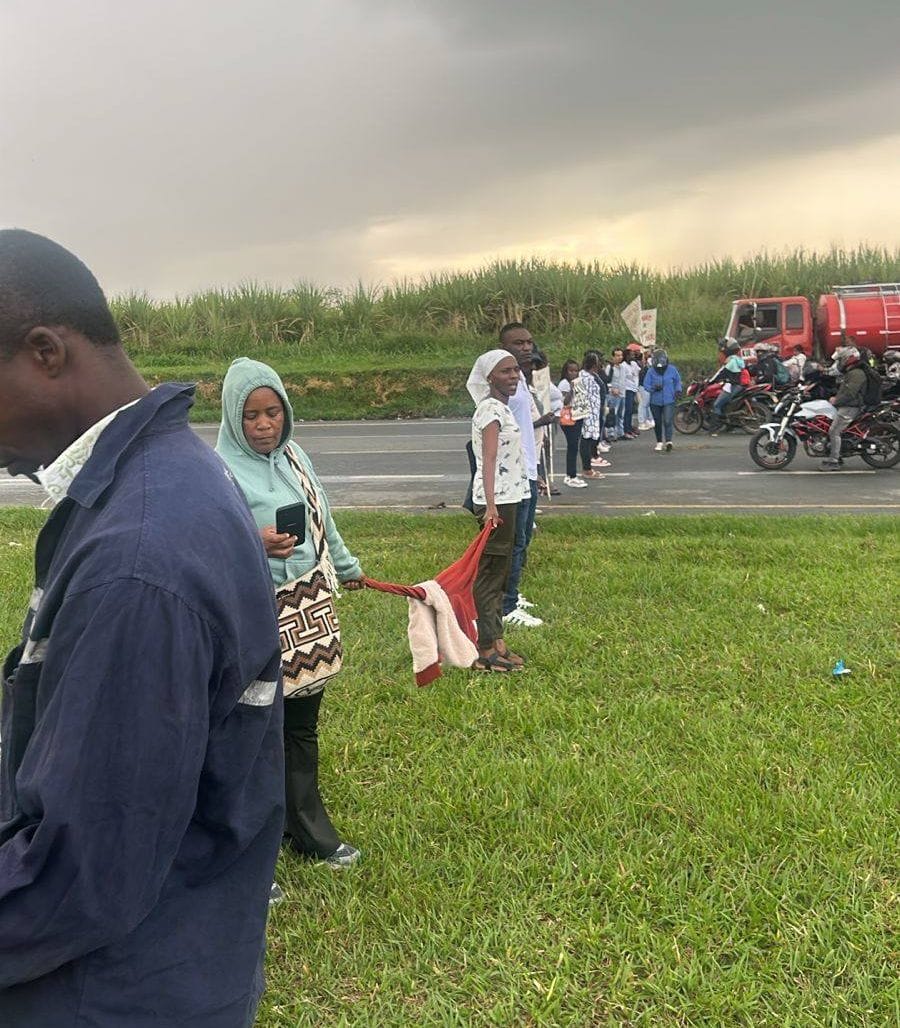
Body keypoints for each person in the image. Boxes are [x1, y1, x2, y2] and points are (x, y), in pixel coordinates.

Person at [0, 230, 284, 1027]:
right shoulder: (163, 477)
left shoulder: (139, 558)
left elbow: (80, 877)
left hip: (110, 994)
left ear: (46, 353)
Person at [216, 358, 364, 867]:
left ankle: (306, 829)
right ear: (232, 417)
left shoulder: (296, 456)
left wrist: (347, 566)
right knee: (252, 733)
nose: (264, 425)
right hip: (253, 617)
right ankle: (249, 849)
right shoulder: (218, 472)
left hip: (307, 610)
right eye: (251, 415)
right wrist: (252, 541)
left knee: (300, 727)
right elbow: (202, 542)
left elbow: (323, 517)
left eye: (273, 412)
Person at [465, 350, 531, 670]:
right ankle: (485, 648)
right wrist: (491, 507)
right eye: (506, 371)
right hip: (497, 501)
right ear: (490, 377)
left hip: (509, 497)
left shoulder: (502, 408)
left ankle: (497, 640)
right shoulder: (490, 409)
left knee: (501, 572)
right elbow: (488, 459)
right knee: (491, 574)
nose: (514, 375)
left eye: (516, 370)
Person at [496, 323, 543, 628]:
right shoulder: (498, 384)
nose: (526, 347)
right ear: (503, 346)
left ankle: (511, 593)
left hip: (529, 467)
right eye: (519, 343)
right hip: (513, 472)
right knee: (512, 541)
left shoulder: (521, 378)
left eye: (529, 342)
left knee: (523, 538)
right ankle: (506, 606)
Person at [821, 345, 868, 470]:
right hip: (847, 404)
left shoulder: (856, 373)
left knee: (834, 431)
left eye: (841, 360)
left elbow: (850, 393)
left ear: (848, 359)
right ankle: (837, 453)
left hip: (851, 406)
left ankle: (834, 461)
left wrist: (836, 400)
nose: (840, 363)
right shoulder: (852, 371)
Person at [643, 349, 682, 452]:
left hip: (669, 400)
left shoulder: (672, 369)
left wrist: (678, 390)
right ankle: (659, 442)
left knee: (668, 420)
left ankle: (669, 441)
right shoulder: (651, 371)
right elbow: (646, 384)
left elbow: (677, 381)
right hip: (655, 401)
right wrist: (653, 388)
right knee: (658, 421)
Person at [557, 359, 587, 488]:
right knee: (572, 445)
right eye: (571, 371)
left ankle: (571, 474)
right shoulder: (564, 384)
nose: (573, 373)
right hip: (568, 417)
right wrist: (572, 389)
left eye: (576, 371)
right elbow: (565, 401)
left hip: (577, 415)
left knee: (574, 446)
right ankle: (571, 475)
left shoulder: (578, 382)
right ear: (566, 371)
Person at [607, 347, 628, 439]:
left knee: (621, 414)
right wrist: (612, 389)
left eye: (621, 355)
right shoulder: (610, 368)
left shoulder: (623, 367)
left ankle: (620, 433)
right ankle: (611, 433)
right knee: (613, 414)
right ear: (613, 357)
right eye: (617, 355)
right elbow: (606, 380)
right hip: (613, 394)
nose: (620, 357)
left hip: (622, 393)